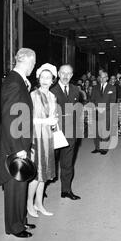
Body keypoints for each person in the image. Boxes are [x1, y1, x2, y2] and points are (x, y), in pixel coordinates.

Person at [0, 48, 36, 238]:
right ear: (28, 61)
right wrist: (19, 148)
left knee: (21, 183)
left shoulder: (19, 81)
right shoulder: (13, 82)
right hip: (16, 145)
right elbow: (9, 118)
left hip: (21, 141)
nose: (33, 67)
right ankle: (14, 227)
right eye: (33, 63)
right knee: (14, 185)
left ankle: (21, 220)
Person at [27, 63, 58, 218]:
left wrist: (54, 122)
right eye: (42, 77)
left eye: (49, 77)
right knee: (35, 174)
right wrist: (45, 122)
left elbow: (53, 117)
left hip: (48, 137)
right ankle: (29, 204)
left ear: (53, 80)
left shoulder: (53, 97)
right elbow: (28, 119)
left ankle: (39, 204)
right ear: (38, 78)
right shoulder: (33, 95)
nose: (45, 80)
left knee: (44, 175)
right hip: (36, 137)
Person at [50, 64, 81, 200]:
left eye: (68, 73)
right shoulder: (51, 90)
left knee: (67, 163)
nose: (65, 76)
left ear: (72, 75)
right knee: (50, 161)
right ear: (58, 73)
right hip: (54, 132)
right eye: (63, 73)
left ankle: (66, 190)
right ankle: (41, 188)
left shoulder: (75, 90)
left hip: (70, 132)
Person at [90, 69, 117, 154]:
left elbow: (113, 101)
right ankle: (97, 147)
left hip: (107, 112)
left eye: (104, 77)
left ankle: (104, 148)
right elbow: (92, 100)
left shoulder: (112, 88)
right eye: (101, 77)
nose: (102, 79)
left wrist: (104, 108)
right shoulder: (95, 88)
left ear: (107, 78)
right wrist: (96, 107)